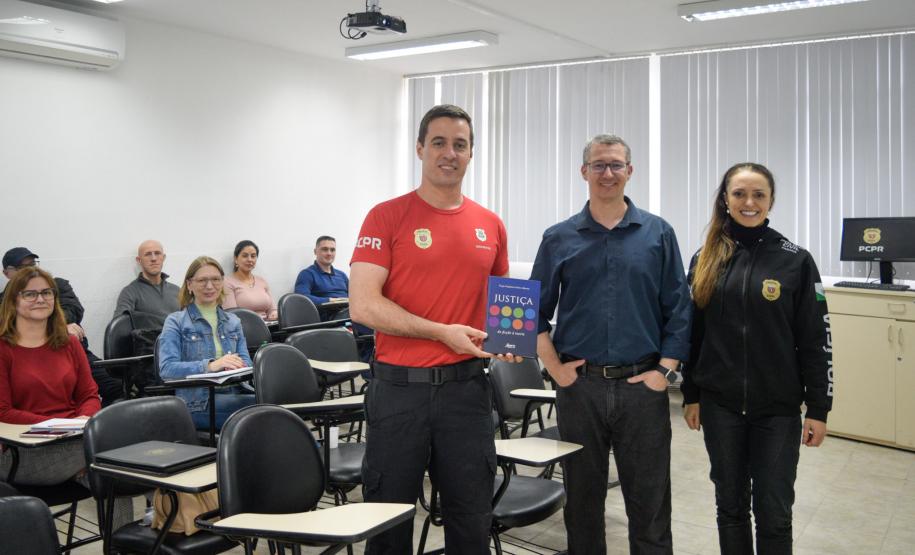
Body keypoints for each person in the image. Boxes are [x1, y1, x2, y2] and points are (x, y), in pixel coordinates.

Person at [350, 104, 513, 554]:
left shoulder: (490, 224)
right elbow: (363, 304)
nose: (449, 153)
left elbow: (501, 307)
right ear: (420, 148)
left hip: (467, 394)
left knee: (472, 518)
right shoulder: (385, 216)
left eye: (460, 145)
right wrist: (440, 331)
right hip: (399, 393)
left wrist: (509, 341)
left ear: (471, 154)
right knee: (388, 519)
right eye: (438, 142)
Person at [531, 134, 692, 554]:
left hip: (643, 386)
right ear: (584, 172)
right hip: (579, 388)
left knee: (650, 503)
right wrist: (554, 368)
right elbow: (532, 311)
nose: (607, 173)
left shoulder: (658, 233)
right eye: (599, 165)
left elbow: (679, 308)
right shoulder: (558, 238)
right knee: (582, 503)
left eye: (616, 165)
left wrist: (665, 372)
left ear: (630, 172)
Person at [681, 163, 832, 554]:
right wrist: (692, 395)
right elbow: (693, 335)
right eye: (739, 194)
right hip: (720, 406)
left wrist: (819, 407)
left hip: (777, 410)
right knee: (729, 507)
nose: (749, 203)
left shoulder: (796, 260)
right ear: (725, 200)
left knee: (774, 513)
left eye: (758, 195)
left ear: (771, 201)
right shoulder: (705, 258)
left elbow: (816, 340)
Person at [0, 266, 100, 486]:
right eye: (30, 294)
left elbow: (90, 395)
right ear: (13, 301)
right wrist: (61, 425)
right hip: (23, 450)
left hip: (74, 439)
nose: (40, 299)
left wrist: (82, 421)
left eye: (47, 293)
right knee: (110, 459)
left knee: (110, 475)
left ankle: (155, 517)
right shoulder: (3, 348)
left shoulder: (69, 342)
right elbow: (3, 412)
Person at [2, 247, 122, 406]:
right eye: (22, 267)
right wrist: (55, 327)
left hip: (67, 349)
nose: (30, 270)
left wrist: (56, 326)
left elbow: (73, 308)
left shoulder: (57, 285)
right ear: (7, 273)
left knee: (117, 388)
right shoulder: (4, 300)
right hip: (26, 356)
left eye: (33, 264)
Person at [158, 256, 255, 430]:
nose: (210, 286)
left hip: (238, 392)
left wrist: (236, 366)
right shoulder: (175, 321)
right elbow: (167, 370)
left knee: (276, 406)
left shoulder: (233, 321)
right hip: (199, 403)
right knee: (267, 414)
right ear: (190, 285)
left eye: (216, 280)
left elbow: (247, 362)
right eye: (202, 280)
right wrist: (210, 366)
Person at [113, 239, 180, 326]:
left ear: (163, 258)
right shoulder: (130, 292)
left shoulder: (177, 290)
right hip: (149, 339)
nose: (153, 258)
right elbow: (118, 326)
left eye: (157, 253)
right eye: (148, 254)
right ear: (139, 260)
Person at [222, 240, 278, 321]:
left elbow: (272, 309)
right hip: (245, 328)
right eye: (245, 256)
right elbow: (232, 315)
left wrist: (274, 313)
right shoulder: (227, 282)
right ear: (236, 259)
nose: (249, 259)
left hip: (269, 326)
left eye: (253, 256)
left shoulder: (261, 280)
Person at [294, 235, 349, 309]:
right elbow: (301, 298)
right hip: (329, 316)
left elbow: (355, 296)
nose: (329, 253)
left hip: (349, 312)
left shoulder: (342, 275)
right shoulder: (307, 274)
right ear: (315, 252)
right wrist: (330, 300)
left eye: (332, 250)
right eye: (325, 249)